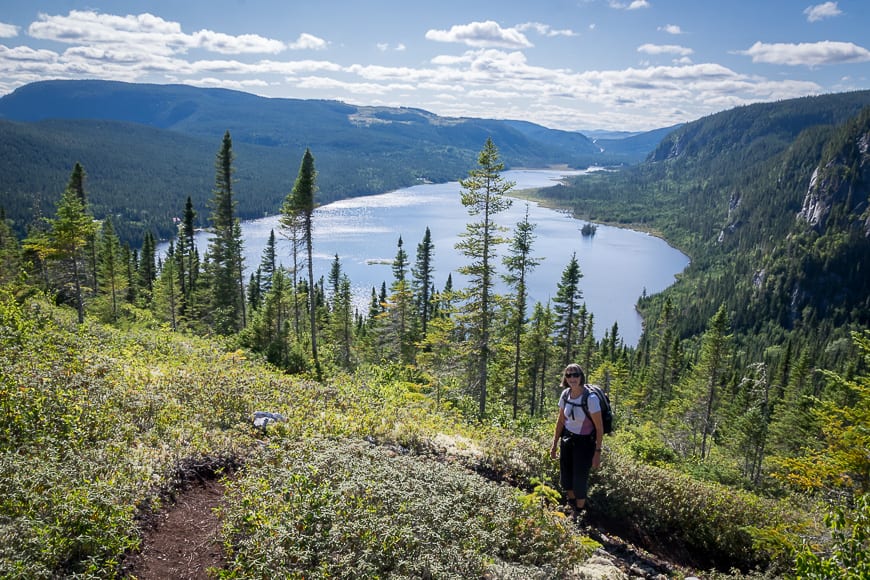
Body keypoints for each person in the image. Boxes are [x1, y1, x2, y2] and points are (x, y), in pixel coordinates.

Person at [549, 363, 603, 518]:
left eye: (575, 375)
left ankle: (578, 512)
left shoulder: (590, 399)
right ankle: (572, 504)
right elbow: (560, 421)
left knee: (579, 478)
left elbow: (599, 429)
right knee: (566, 477)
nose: (572, 378)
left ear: (581, 377)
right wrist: (554, 445)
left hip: (585, 443)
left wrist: (597, 452)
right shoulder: (565, 394)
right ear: (565, 378)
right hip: (567, 439)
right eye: (569, 375)